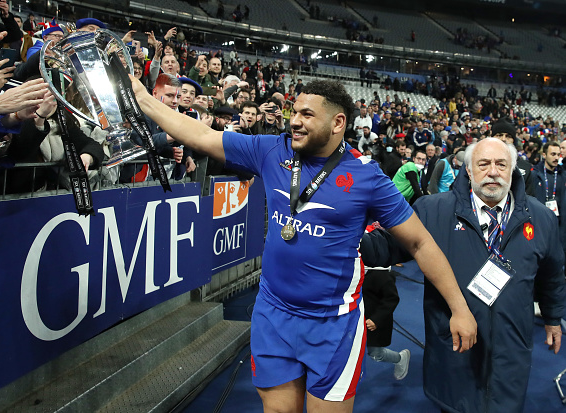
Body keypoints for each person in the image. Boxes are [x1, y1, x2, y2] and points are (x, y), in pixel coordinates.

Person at [129, 76, 477, 412]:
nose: (294, 121)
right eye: (293, 112)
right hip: (272, 314)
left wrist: (459, 308)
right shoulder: (271, 149)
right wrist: (145, 100)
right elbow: (203, 135)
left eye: (306, 115)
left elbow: (419, 243)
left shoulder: (366, 176)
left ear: (338, 122)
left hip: (333, 323)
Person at [360, 138, 565, 413]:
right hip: (454, 348)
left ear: (513, 170)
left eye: (501, 164)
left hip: (511, 349)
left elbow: (552, 275)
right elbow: (389, 247)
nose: (493, 171)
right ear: (468, 170)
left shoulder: (541, 218)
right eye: (483, 164)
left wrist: (552, 317)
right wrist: (350, 235)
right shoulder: (433, 210)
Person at [363, 224, 410, 381]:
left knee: (375, 353)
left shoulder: (381, 275)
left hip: (374, 320)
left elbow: (391, 299)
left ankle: (400, 358)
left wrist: (376, 319)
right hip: (356, 317)